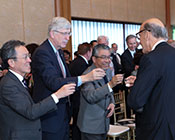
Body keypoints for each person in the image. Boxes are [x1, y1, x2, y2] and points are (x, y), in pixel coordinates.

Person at [31, 17, 106, 140]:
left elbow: (66, 78)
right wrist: (85, 78)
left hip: (63, 113)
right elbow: (54, 82)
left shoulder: (58, 52)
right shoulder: (42, 53)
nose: (68, 37)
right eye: (65, 33)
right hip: (50, 116)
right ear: (52, 33)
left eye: (69, 33)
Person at [0, 40, 76, 140]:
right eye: (25, 57)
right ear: (11, 62)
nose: (30, 60)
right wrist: (58, 95)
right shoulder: (8, 84)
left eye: (29, 56)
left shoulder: (18, 80)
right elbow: (31, 112)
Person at [126, 18, 175, 140]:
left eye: (139, 36)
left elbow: (136, 100)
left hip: (155, 127)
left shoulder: (150, 58)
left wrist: (136, 85)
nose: (139, 42)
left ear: (147, 34)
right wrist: (139, 81)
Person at [77, 44, 124, 140]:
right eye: (103, 57)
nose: (107, 60)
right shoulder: (87, 74)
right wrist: (111, 84)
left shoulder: (106, 71)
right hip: (91, 126)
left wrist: (112, 102)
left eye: (109, 57)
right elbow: (91, 96)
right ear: (94, 59)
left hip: (103, 123)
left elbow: (109, 91)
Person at [69, 42, 92, 140]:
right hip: (79, 97)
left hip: (73, 96)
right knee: (79, 123)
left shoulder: (74, 62)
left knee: (76, 122)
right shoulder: (82, 65)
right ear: (88, 52)